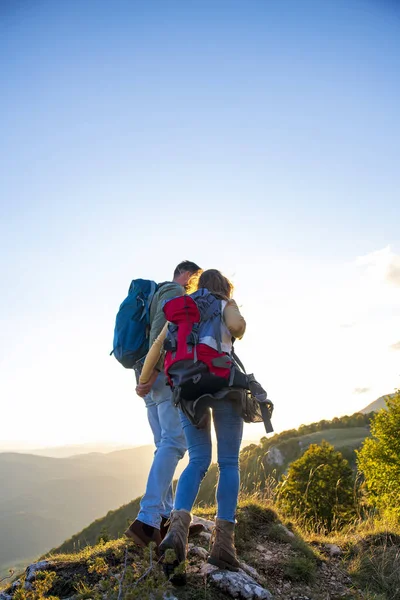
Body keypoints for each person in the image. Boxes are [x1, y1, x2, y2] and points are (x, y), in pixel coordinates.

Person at [141, 269, 246, 571]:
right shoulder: (225, 304)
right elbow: (237, 328)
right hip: (224, 386)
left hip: (187, 391)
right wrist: (232, 309)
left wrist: (145, 380)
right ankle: (224, 545)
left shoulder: (183, 309)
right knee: (228, 463)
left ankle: (176, 533)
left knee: (198, 461)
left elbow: (157, 348)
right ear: (225, 287)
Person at [124, 260, 201, 548]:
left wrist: (145, 376)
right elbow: (163, 331)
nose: (194, 286)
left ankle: (165, 518)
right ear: (188, 274)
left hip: (148, 379)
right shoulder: (172, 291)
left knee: (164, 445)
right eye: (195, 279)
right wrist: (154, 370)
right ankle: (147, 520)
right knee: (175, 443)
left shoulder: (156, 295)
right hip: (160, 376)